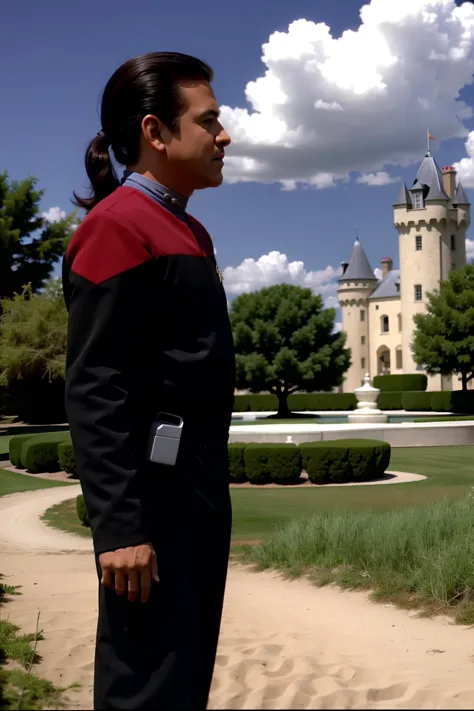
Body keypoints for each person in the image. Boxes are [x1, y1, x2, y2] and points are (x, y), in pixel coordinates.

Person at [62, 51, 235, 710]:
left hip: (193, 498)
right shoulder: (115, 228)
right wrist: (121, 529)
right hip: (151, 515)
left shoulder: (189, 230)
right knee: (147, 685)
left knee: (182, 679)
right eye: (209, 120)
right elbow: (95, 388)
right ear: (155, 132)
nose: (224, 135)